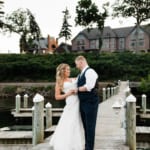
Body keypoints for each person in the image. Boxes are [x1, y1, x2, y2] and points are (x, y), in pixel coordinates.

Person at [49, 63, 85, 150]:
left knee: (78, 120)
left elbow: (82, 79)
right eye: (67, 70)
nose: (69, 71)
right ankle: (67, 143)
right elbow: (57, 97)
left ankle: (79, 140)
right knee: (70, 120)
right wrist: (68, 94)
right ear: (63, 71)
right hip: (70, 102)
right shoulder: (59, 82)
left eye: (69, 69)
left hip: (78, 101)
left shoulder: (73, 79)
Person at [75, 55, 99, 150]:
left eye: (76, 64)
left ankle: (89, 148)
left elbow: (89, 87)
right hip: (83, 103)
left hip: (90, 102)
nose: (76, 66)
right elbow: (77, 81)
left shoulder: (90, 72)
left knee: (90, 126)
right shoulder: (81, 74)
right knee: (86, 126)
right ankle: (87, 146)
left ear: (81, 62)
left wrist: (77, 89)